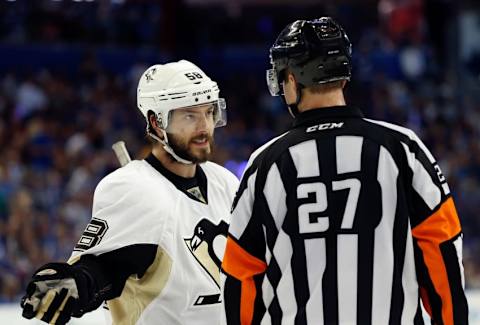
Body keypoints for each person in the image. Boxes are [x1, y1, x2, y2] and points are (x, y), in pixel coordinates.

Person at [221, 17, 468, 325]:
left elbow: (241, 273)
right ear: (343, 77)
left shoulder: (265, 164)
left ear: (293, 80)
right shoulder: (403, 148)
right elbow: (441, 248)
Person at [20, 60, 239, 325]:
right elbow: (104, 268)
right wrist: (73, 284)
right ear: (156, 122)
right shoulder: (134, 190)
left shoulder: (225, 182)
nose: (204, 126)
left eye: (209, 112)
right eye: (190, 115)